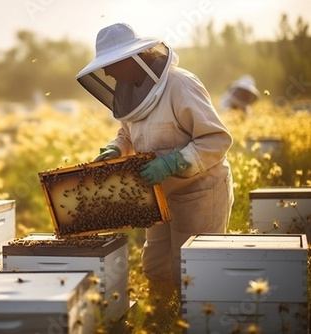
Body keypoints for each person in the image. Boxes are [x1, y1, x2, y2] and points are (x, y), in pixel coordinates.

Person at [76, 23, 234, 303]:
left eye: (110, 64)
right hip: (158, 194)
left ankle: (192, 323)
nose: (105, 73)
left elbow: (216, 139)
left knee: (189, 270)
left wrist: (175, 162)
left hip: (200, 192)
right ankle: (160, 320)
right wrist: (115, 149)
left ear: (133, 58)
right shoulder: (130, 94)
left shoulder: (181, 85)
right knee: (156, 264)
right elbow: (128, 132)